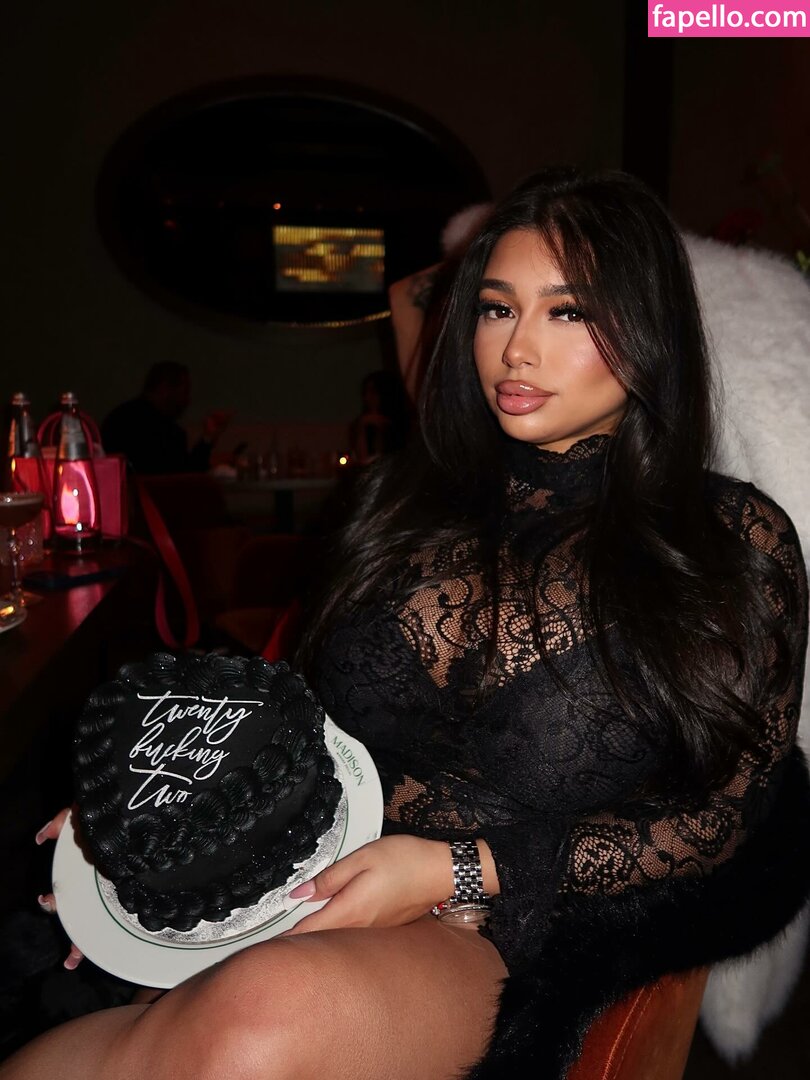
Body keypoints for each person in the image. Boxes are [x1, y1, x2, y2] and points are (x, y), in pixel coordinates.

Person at [5, 167, 809, 1080]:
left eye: (568, 312)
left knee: (255, 1021)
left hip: (507, 931)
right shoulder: (401, 505)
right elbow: (295, 725)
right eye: (497, 309)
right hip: (306, 881)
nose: (517, 349)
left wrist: (455, 868)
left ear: (649, 328)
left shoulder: (731, 539)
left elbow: (722, 816)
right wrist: (157, 807)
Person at [101, 362, 231, 474]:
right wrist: (208, 439)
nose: (187, 400)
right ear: (165, 388)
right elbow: (182, 475)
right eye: (185, 391)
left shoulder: (118, 417)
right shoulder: (166, 431)